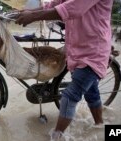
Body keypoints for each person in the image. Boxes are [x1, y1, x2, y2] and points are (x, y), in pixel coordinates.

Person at [15, 0, 113, 140]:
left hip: (93, 53)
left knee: (69, 97)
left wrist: (34, 16)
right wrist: (31, 11)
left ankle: (56, 136)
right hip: (75, 50)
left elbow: (71, 8)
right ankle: (100, 126)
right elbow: (55, 4)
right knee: (92, 93)